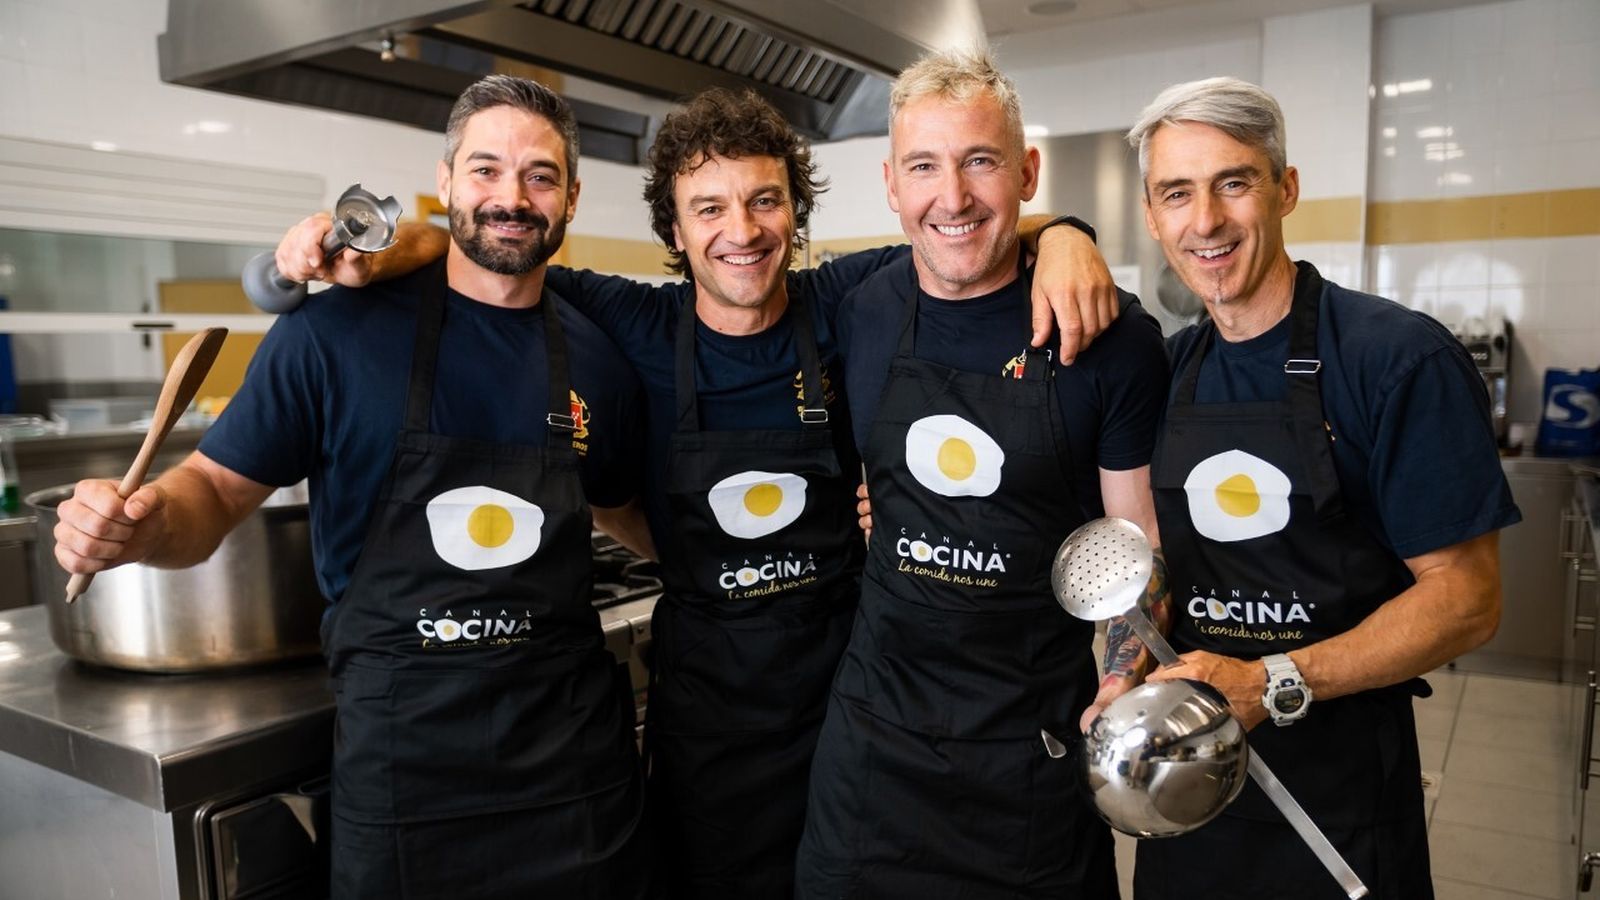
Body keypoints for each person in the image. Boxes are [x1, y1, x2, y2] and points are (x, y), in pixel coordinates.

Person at [272, 88, 1120, 898]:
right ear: (673, 229)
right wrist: (382, 243)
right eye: (708, 208)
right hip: (709, 722)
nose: (741, 232)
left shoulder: (847, 301)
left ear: (796, 212)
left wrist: (1068, 235)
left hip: (848, 707)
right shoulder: (627, 320)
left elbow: (964, 233)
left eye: (764, 201)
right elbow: (487, 251)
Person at [52, 75, 653, 899]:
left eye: (539, 176)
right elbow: (214, 494)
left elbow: (623, 507)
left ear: (572, 197)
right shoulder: (331, 334)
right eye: (484, 170)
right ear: (443, 183)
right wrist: (144, 527)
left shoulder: (596, 357)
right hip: (405, 775)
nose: (511, 197)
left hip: (573, 772)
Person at [793, 47, 1172, 898]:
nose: (952, 197)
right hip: (872, 762)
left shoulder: (1112, 342)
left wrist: (1123, 668)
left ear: (1027, 172)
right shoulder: (857, 307)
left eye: (981, 162)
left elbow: (1138, 547)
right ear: (892, 184)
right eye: (924, 166)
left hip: (1025, 764)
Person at [1129, 77, 1519, 899]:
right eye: (1177, 193)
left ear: (1285, 189)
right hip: (1191, 796)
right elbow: (1161, 558)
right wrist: (1124, 665)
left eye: (1233, 182)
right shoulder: (1169, 371)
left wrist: (1271, 682)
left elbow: (1467, 598)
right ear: (1152, 213)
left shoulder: (1396, 360)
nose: (1205, 221)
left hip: (1339, 797)